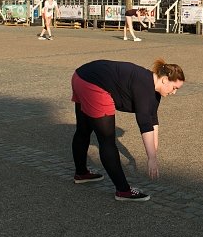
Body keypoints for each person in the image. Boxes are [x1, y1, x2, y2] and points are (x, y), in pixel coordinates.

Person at [70, 59, 185, 201]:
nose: (174, 93)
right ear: (165, 80)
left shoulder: (153, 90)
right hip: (93, 84)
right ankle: (123, 191)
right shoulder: (144, 86)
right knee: (107, 141)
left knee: (83, 129)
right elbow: (144, 124)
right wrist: (151, 159)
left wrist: (153, 155)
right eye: (174, 88)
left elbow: (152, 120)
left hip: (80, 76)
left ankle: (81, 173)